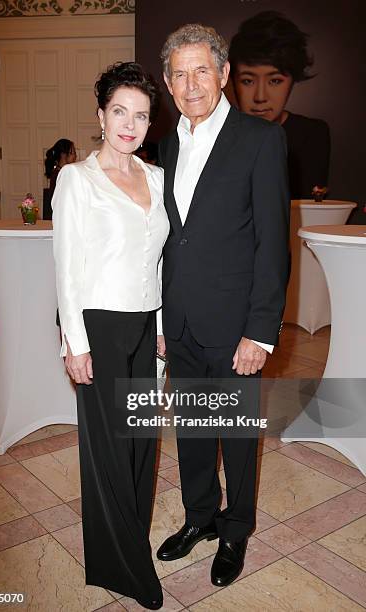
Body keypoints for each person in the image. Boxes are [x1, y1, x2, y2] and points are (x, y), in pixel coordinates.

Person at [156, 24, 290, 587]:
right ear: (167, 83)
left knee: (235, 435)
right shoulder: (161, 147)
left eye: (201, 70)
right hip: (180, 322)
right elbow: (164, 242)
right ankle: (200, 518)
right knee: (191, 430)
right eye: (180, 74)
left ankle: (236, 530)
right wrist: (160, 321)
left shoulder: (260, 140)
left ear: (223, 74)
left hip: (235, 326)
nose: (191, 84)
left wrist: (260, 333)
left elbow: (272, 242)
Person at [52, 62, 169, 610]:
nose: (129, 124)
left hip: (146, 324)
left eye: (140, 115)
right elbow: (66, 267)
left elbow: (159, 262)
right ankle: (124, 567)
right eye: (119, 111)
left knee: (142, 443)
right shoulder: (77, 179)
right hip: (99, 326)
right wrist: (73, 342)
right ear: (101, 116)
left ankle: (130, 542)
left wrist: (163, 327)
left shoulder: (156, 177)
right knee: (108, 448)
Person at [229, 11, 330, 199]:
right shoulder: (217, 135)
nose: (260, 97)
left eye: (275, 81)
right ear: (231, 81)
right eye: (248, 81)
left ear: (292, 82)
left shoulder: (311, 135)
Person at [43, 139, 77, 219]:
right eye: (73, 153)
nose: (75, 156)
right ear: (63, 155)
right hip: (61, 216)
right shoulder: (60, 174)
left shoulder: (61, 172)